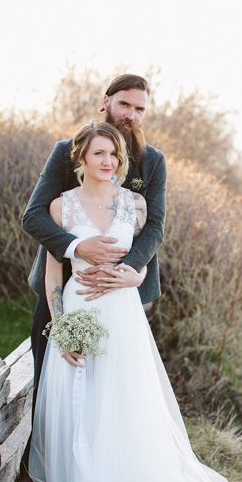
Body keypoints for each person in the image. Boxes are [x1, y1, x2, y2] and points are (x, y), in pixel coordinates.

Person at [28, 121, 242, 482]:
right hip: (80, 307)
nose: (108, 162)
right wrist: (63, 327)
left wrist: (134, 275)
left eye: (114, 155)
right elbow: (54, 276)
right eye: (99, 154)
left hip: (124, 312)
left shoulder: (136, 207)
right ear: (81, 159)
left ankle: (127, 474)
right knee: (82, 395)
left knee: (123, 394)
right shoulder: (60, 208)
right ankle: (84, 477)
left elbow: (145, 257)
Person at [22, 74, 166, 410]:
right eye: (124, 104)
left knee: (118, 382)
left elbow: (155, 227)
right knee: (50, 372)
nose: (131, 114)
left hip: (122, 286)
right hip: (65, 278)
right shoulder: (66, 151)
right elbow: (34, 215)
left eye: (139, 109)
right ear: (106, 102)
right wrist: (76, 247)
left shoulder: (152, 161)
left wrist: (130, 270)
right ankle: (33, 459)